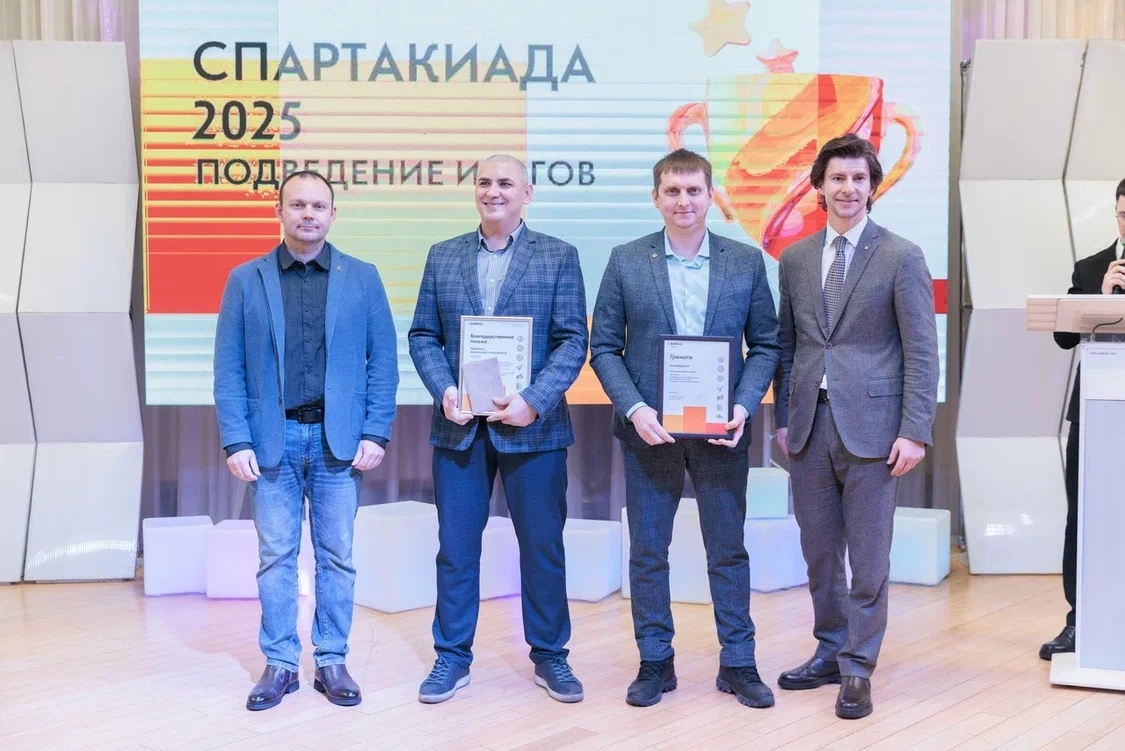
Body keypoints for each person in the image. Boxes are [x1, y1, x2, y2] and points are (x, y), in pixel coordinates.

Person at [589, 148, 780, 709]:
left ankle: (739, 662)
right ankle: (655, 662)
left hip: (723, 432)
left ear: (711, 196)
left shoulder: (745, 261)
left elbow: (766, 345)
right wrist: (634, 409)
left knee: (728, 551)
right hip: (650, 432)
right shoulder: (626, 260)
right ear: (656, 198)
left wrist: (744, 405)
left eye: (694, 190)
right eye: (672, 191)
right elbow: (604, 348)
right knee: (649, 552)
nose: (684, 201)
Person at [213, 170, 399, 711]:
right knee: (276, 557)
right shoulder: (245, 280)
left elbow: (384, 363)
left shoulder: (362, 277)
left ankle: (332, 660)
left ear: (333, 214)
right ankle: (280, 664)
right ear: (279, 210)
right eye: (298, 205)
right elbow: (228, 367)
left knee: (337, 556)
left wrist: (376, 430)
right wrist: (236, 440)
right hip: (271, 442)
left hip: (339, 443)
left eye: (318, 206)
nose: (308, 214)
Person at [407, 154, 589, 704]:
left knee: (542, 547)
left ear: (526, 194)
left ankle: (550, 656)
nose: (493, 191)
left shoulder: (559, 255)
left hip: (534, 429)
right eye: (484, 182)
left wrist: (534, 401)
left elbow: (572, 341)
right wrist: (445, 391)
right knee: (456, 549)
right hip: (460, 428)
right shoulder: (442, 255)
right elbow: (423, 336)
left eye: (505, 183)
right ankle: (451, 656)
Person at [773, 133, 939, 720]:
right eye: (837, 178)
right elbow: (787, 347)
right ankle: (829, 649)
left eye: (858, 179)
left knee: (868, 560)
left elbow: (922, 351)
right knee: (819, 554)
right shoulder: (794, 259)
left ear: (873, 187)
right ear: (819, 187)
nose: (848, 188)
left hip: (876, 430)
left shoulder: (901, 255)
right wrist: (783, 420)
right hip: (809, 429)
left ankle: (858, 667)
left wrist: (915, 429)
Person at [1041, 177, 1125, 660]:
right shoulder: (1092, 267)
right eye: (1124, 215)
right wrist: (1102, 295)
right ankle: (1080, 618)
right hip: (1096, 410)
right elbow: (1063, 338)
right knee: (1084, 512)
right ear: (1115, 214)